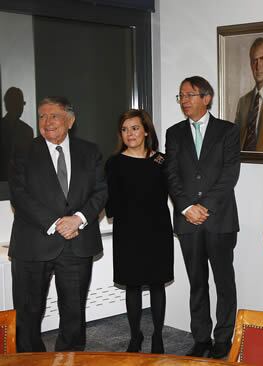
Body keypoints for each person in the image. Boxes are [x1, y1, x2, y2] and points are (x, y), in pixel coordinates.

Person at [8, 96, 107, 352]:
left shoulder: (90, 151)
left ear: (70, 120)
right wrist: (54, 223)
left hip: (77, 243)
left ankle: (70, 359)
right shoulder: (23, 151)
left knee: (74, 315)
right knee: (28, 316)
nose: (47, 121)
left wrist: (78, 219)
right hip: (33, 245)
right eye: (42, 116)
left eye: (54, 115)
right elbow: (19, 194)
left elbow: (101, 191)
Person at [166, 76, 240, 359]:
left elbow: (229, 174)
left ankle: (223, 337)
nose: (184, 100)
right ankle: (201, 337)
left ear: (206, 98)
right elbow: (171, 175)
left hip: (219, 219)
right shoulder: (174, 133)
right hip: (187, 221)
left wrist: (204, 207)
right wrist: (187, 207)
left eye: (189, 95)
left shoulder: (228, 131)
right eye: (181, 96)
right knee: (197, 282)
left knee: (223, 281)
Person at [105, 109, 174, 353]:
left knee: (157, 285)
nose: (130, 133)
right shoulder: (114, 163)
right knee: (131, 285)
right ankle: (136, 336)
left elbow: (175, 194)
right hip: (128, 233)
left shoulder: (161, 161)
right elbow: (109, 204)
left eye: (134, 128)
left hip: (157, 232)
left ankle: (158, 336)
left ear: (146, 131)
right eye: (124, 129)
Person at [1, 87, 34, 180]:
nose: (20, 108)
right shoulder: (27, 130)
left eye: (21, 104)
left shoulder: (27, 131)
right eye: (17, 104)